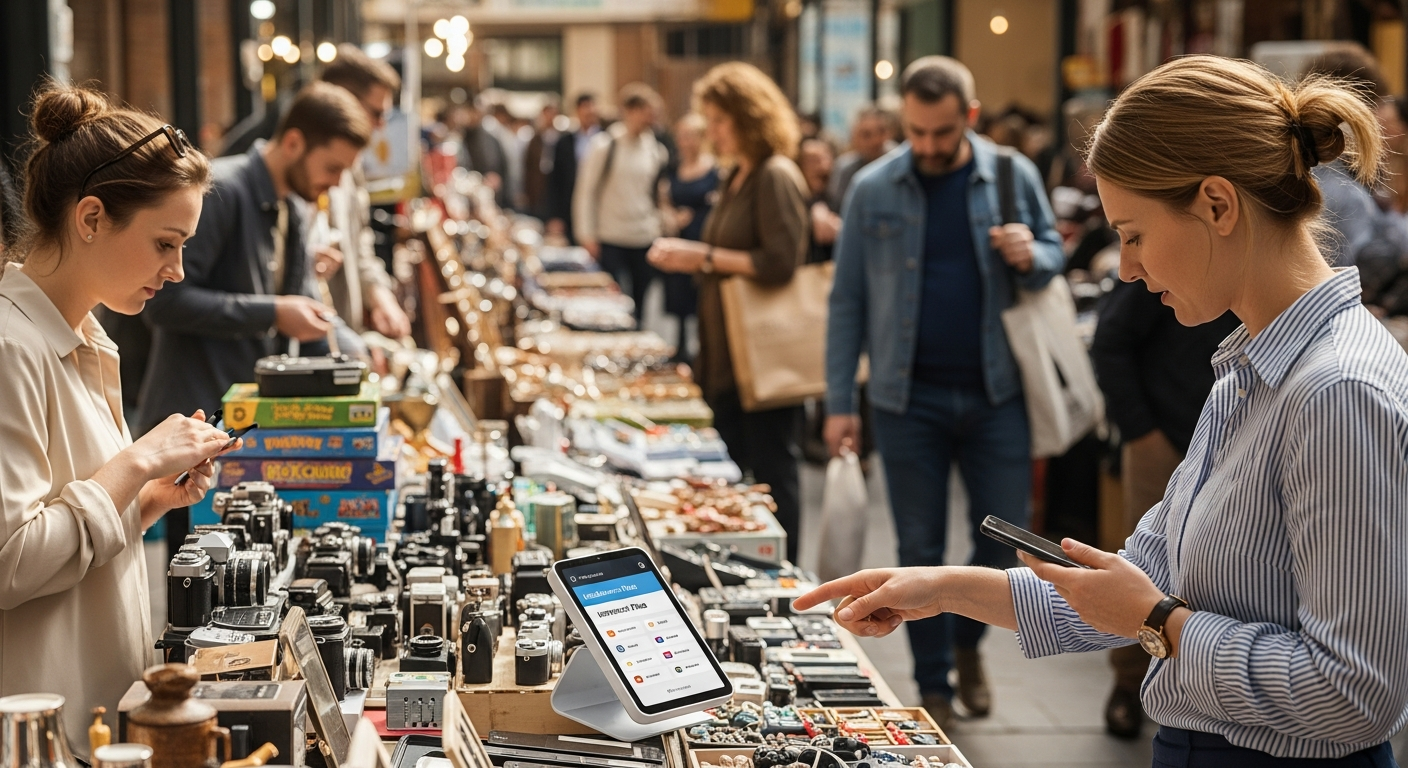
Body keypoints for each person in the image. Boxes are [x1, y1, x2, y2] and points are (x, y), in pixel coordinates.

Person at [800, 56, 1408, 766]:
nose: (1125, 267)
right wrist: (941, 587)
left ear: (1217, 204)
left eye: (1134, 234)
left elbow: (1355, 692)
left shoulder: (1334, 392)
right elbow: (1133, 579)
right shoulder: (1251, 368)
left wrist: (1159, 622)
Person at [824, 56, 1064, 727]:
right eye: (916, 132)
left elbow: (1053, 256)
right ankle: (931, 682)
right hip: (907, 400)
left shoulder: (1012, 174)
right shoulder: (874, 187)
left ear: (971, 117)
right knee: (917, 545)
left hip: (998, 393)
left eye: (941, 132)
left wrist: (1032, 252)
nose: (927, 146)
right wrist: (841, 400)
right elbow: (846, 301)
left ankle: (967, 643)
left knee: (1001, 534)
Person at [0, 84, 237, 756]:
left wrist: (144, 503)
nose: (177, 269)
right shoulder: (11, 346)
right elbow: (9, 559)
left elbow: (70, 535)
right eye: (166, 242)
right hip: (43, 732)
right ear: (93, 218)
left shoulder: (88, 337)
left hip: (95, 720)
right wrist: (135, 463)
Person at [139, 82, 371, 435]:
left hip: (241, 427)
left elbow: (299, 303)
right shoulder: (221, 190)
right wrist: (274, 312)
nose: (336, 184)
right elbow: (164, 302)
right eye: (332, 168)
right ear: (293, 143)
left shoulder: (291, 207)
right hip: (187, 423)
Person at [648, 62, 810, 565]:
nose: (711, 131)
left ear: (749, 117)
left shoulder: (774, 175)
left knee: (772, 470)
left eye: (720, 120)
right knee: (742, 465)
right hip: (729, 350)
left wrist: (702, 257)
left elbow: (782, 262)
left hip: (763, 354)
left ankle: (783, 575)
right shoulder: (737, 174)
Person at [1090, 278, 1241, 738]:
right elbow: (1110, 344)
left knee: (1225, 570)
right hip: (1165, 437)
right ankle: (1128, 683)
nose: (1127, 262)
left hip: (1233, 441)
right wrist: (1140, 430)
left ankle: (1204, 691)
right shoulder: (1161, 273)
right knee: (1147, 568)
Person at [315, 43, 412, 341]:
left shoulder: (352, 163)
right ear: (342, 99)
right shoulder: (296, 161)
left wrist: (379, 294)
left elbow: (359, 241)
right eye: (376, 113)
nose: (382, 125)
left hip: (338, 337)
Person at [574, 83, 670, 325]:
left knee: (641, 304)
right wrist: (586, 233)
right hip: (611, 235)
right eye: (646, 111)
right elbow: (586, 192)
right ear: (630, 111)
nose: (651, 119)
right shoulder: (605, 145)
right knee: (611, 304)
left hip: (643, 235)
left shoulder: (656, 150)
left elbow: (656, 194)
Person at [660, 112, 718, 361]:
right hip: (678, 234)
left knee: (700, 294)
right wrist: (671, 215)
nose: (685, 142)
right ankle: (680, 345)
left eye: (690, 136)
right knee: (678, 292)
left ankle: (701, 348)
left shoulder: (714, 169)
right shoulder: (672, 166)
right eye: (682, 136)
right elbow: (662, 197)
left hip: (702, 235)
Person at [547, 93, 602, 243]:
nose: (589, 111)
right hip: (569, 207)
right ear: (577, 111)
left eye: (591, 107)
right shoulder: (564, 142)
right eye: (584, 107)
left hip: (600, 210)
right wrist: (554, 215)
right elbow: (555, 180)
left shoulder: (606, 140)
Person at [827, 104, 898, 212]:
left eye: (880, 131)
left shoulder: (899, 162)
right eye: (866, 135)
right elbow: (838, 209)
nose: (875, 140)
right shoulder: (846, 168)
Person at [798, 137, 840, 263]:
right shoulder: (796, 201)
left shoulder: (836, 196)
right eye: (812, 161)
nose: (821, 166)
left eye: (824, 159)